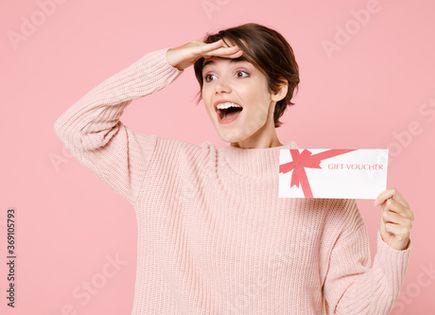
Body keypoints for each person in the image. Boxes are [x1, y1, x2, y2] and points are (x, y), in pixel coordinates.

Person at [53, 23, 414, 314]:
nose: (220, 87)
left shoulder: (322, 181)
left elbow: (352, 309)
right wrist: (168, 62)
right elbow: (78, 128)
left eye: (241, 73)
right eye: (210, 76)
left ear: (278, 89)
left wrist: (393, 248)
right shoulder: (166, 167)